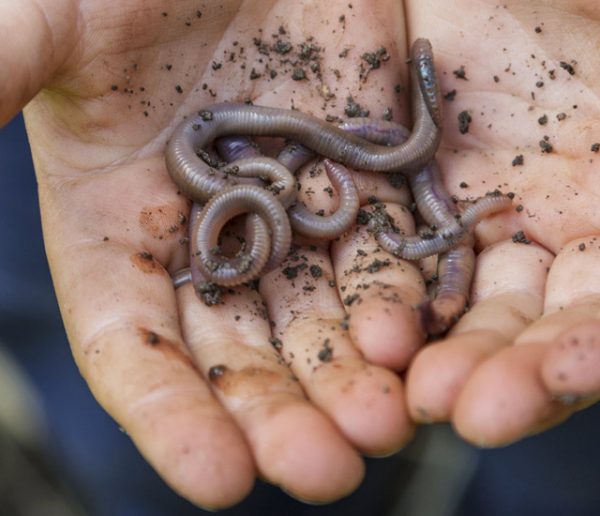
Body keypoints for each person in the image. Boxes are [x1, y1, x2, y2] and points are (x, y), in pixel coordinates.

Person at [1, 0, 598, 510]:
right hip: (89, 165)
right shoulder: (259, 186)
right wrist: (271, 186)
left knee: (547, 448)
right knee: (166, 433)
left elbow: (390, 155)